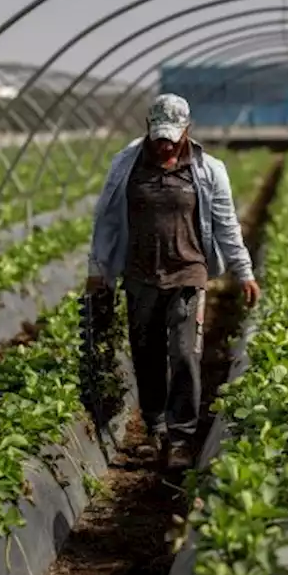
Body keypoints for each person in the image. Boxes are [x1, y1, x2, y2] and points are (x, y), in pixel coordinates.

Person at [87, 93, 261, 470]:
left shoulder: (207, 169)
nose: (164, 144)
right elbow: (107, 221)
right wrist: (97, 270)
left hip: (188, 273)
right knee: (146, 354)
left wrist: (243, 271)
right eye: (158, 135)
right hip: (139, 275)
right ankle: (155, 428)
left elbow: (226, 224)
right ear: (147, 129)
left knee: (184, 355)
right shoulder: (126, 165)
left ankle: (181, 437)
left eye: (171, 136)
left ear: (187, 130)